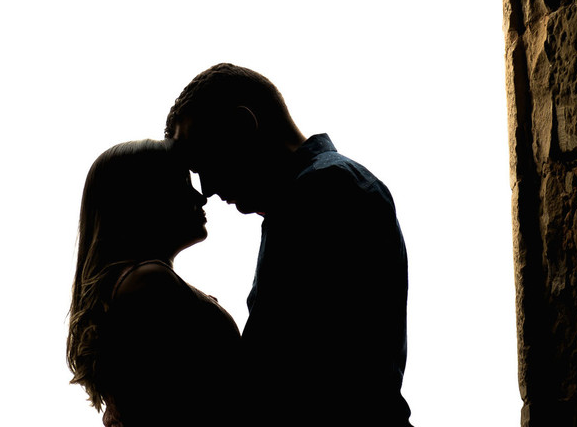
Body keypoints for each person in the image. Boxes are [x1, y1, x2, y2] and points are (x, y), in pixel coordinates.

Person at [167, 63, 413, 427]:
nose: (207, 189)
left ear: (242, 126)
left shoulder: (321, 191)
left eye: (203, 160)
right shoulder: (320, 188)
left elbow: (275, 368)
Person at [67, 139, 242, 427]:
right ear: (144, 198)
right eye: (181, 183)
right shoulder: (148, 283)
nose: (201, 197)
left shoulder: (136, 282)